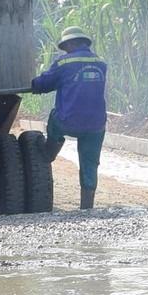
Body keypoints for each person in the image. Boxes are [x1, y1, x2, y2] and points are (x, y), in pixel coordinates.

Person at [28, 26, 109, 210]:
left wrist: (34, 85)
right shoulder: (100, 63)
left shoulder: (64, 63)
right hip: (96, 125)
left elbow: (45, 83)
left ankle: (50, 151)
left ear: (69, 43)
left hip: (68, 121)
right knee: (90, 163)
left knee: (54, 120)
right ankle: (87, 207)